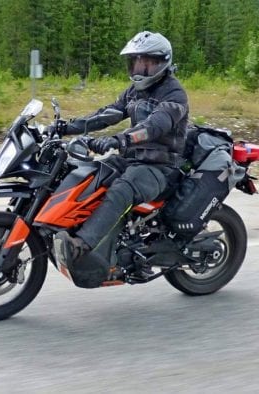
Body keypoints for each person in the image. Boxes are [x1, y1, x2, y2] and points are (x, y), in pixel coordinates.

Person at [56, 31, 190, 263]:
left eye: (145, 63)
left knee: (121, 190)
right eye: (135, 62)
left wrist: (120, 140)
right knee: (89, 174)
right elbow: (107, 114)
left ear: (161, 62)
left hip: (161, 167)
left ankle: (82, 245)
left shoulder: (174, 93)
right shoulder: (134, 91)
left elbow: (154, 126)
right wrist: (64, 128)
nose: (139, 69)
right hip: (133, 159)